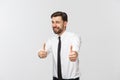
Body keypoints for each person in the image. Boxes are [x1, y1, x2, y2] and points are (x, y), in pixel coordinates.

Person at [38, 11, 81, 80]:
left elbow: (75, 50)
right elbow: (43, 51)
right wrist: (40, 53)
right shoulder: (52, 40)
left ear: (65, 23)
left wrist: (74, 54)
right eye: (52, 22)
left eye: (57, 22)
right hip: (56, 78)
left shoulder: (74, 37)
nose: (54, 25)